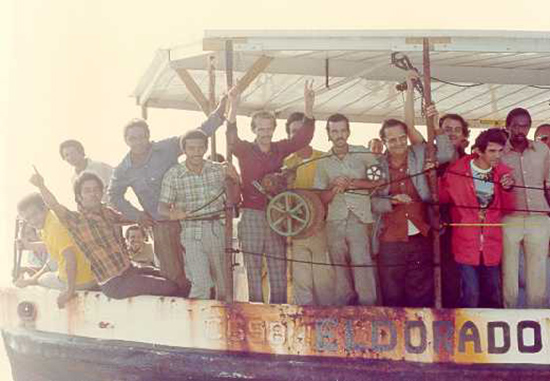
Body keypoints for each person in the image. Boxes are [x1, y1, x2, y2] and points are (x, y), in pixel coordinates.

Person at [107, 97, 227, 291]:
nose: (137, 141)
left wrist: (220, 113)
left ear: (148, 135)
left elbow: (198, 135)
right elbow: (114, 196)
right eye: (132, 138)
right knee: (172, 274)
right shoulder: (123, 169)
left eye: (141, 136)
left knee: (205, 270)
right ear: (126, 140)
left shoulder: (168, 147)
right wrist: (137, 215)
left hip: (190, 219)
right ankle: (183, 309)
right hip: (161, 225)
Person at [226, 82, 315, 304]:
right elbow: (231, 138)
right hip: (252, 215)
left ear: (274, 129)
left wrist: (309, 106)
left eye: (269, 129)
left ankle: (280, 310)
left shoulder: (280, 148)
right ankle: (256, 308)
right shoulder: (245, 150)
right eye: (261, 129)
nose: (265, 133)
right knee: (253, 268)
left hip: (277, 216)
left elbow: (303, 138)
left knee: (278, 267)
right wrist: (233, 105)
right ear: (254, 130)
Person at [30, 169, 181, 299]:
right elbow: (54, 205)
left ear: (102, 193)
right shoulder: (75, 220)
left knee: (170, 275)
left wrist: (162, 214)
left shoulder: (106, 212)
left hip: (129, 269)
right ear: (79, 196)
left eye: (96, 189)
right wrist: (41, 185)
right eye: (87, 191)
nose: (93, 194)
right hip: (114, 283)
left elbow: (131, 217)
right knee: (169, 287)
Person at [371, 116, 454, 307]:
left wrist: (436, 128)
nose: (399, 143)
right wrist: (391, 201)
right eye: (392, 140)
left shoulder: (419, 154)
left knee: (421, 292)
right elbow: (371, 202)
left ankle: (418, 336)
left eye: (402, 138)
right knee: (392, 294)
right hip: (390, 241)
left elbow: (447, 153)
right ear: (384, 142)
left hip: (420, 235)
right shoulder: (377, 165)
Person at [158, 129, 240, 300]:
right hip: (190, 234)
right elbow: (162, 208)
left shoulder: (219, 170)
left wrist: (236, 178)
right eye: (191, 148)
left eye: (200, 148)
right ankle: (194, 323)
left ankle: (224, 323)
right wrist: (173, 214)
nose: (196, 152)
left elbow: (236, 199)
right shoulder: (173, 175)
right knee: (201, 284)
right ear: (184, 150)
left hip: (217, 231)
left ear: (205, 149)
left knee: (224, 287)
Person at [440, 129, 514, 307]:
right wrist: (435, 176)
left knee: (493, 294)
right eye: (492, 151)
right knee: (471, 293)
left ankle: (490, 333)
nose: (498, 155)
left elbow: (509, 208)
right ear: (479, 151)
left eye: (500, 151)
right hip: (465, 243)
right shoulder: (456, 171)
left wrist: (508, 189)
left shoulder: (504, 174)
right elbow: (441, 198)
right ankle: (465, 332)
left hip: (491, 244)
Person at [314, 113, 383, 306]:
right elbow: (321, 198)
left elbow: (379, 181)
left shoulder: (363, 153)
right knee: (339, 270)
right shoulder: (322, 162)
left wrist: (353, 183)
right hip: (334, 222)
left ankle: (368, 310)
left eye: (343, 130)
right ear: (328, 134)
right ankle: (344, 312)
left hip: (359, 220)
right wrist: (333, 188)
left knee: (363, 267)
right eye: (334, 131)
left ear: (349, 132)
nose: (339, 135)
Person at [283, 112, 334, 306]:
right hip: (295, 230)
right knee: (301, 278)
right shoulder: (284, 164)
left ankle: (328, 319)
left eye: (301, 132)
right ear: (288, 135)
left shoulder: (324, 158)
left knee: (323, 278)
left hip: (322, 227)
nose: (298, 136)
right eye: (294, 132)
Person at [501, 108, 550, 308]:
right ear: (507, 126)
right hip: (509, 218)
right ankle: (509, 317)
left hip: (539, 217)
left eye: (525, 125)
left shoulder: (543, 150)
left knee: (538, 272)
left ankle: (536, 318)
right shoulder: (498, 151)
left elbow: (549, 184)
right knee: (509, 273)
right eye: (516, 125)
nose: (521, 130)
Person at [15, 192, 96, 308]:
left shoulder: (54, 227)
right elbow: (52, 245)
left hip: (81, 281)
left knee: (44, 277)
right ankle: (31, 279)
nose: (33, 221)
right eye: (28, 218)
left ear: (44, 208)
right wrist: (28, 246)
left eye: (35, 214)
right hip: (88, 274)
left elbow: (70, 258)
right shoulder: (49, 219)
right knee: (53, 259)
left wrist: (69, 290)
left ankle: (31, 280)